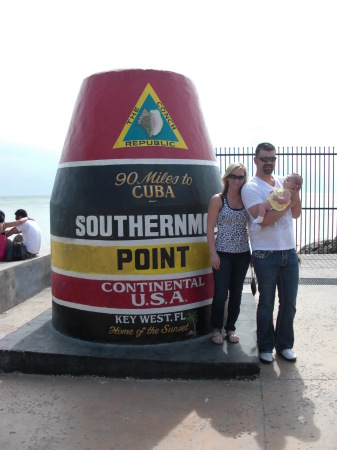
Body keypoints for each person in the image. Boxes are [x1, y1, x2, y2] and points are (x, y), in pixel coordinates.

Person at [241, 143, 302, 364]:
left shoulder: (282, 183)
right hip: (265, 254)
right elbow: (264, 220)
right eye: (265, 158)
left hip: (289, 252)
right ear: (255, 159)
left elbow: (295, 213)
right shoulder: (251, 188)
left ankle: (285, 345)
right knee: (266, 302)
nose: (269, 162)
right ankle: (266, 346)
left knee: (289, 303)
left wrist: (294, 194)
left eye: (272, 159)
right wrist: (285, 204)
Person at [207, 162, 251, 345]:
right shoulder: (218, 199)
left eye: (240, 177)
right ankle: (216, 329)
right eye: (233, 176)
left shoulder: (247, 199)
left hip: (242, 254)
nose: (236, 180)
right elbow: (209, 228)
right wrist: (213, 253)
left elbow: (252, 227)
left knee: (237, 294)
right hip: (223, 253)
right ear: (227, 177)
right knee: (220, 294)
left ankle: (230, 328)